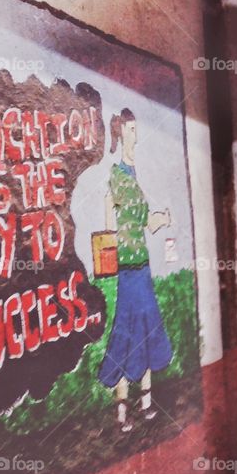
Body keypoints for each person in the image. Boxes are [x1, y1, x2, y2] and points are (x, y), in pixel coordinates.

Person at [97, 109, 173, 432]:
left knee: (146, 330)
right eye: (131, 129)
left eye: (136, 128)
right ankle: (122, 414)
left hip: (141, 267)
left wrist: (163, 220)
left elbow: (144, 222)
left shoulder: (133, 173)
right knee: (127, 333)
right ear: (121, 134)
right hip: (129, 270)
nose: (136, 135)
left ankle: (145, 406)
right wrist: (113, 244)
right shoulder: (118, 175)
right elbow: (109, 211)